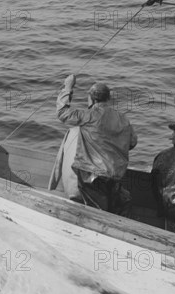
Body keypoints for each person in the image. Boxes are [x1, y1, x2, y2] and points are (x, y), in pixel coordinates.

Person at [56, 74, 137, 216]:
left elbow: (63, 113)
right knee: (112, 207)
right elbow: (132, 142)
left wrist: (67, 87)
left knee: (96, 213)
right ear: (108, 99)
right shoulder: (123, 119)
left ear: (91, 99)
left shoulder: (89, 115)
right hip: (115, 175)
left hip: (92, 176)